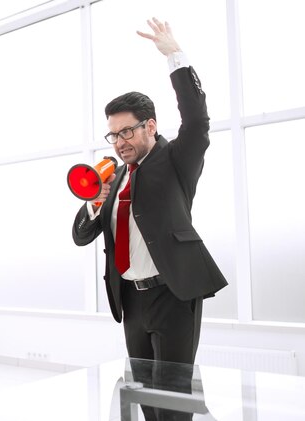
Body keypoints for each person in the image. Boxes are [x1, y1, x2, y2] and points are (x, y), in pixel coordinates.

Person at [72, 18, 228, 365]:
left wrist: (176, 56)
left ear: (151, 126)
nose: (120, 142)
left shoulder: (175, 159)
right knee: (143, 391)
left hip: (172, 293)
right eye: (114, 135)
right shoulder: (113, 180)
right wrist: (95, 204)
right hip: (130, 299)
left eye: (127, 132)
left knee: (173, 399)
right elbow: (81, 237)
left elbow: (197, 122)